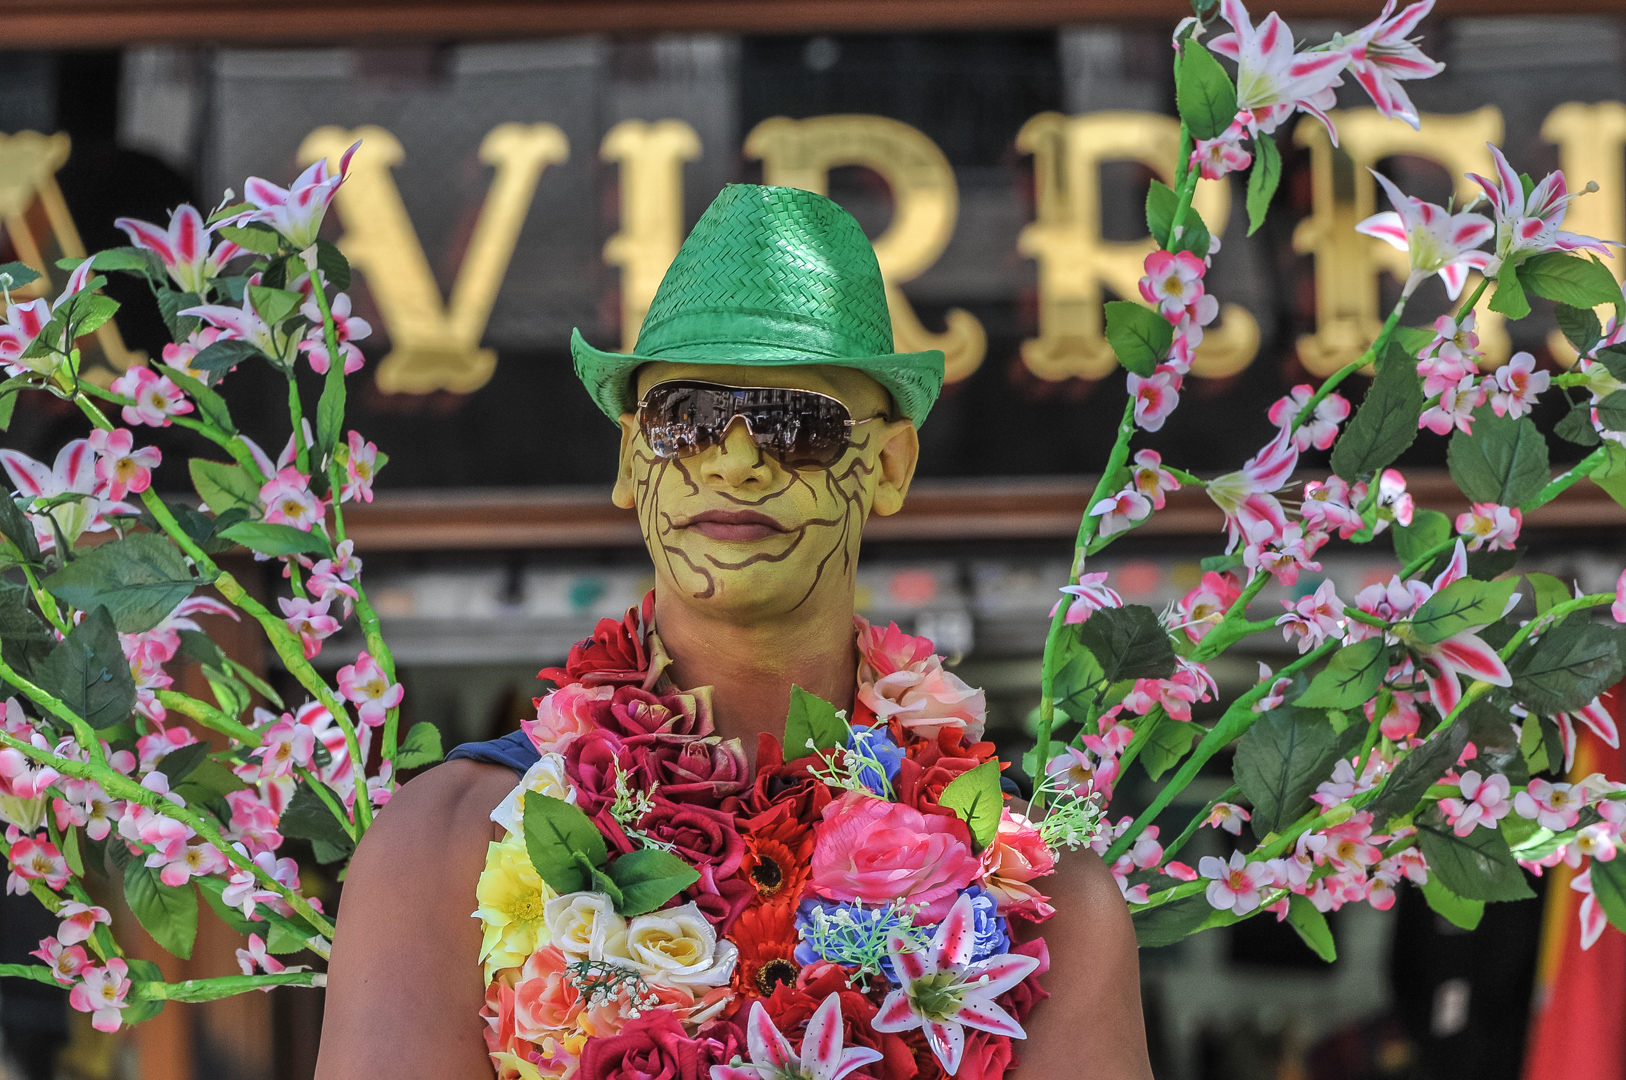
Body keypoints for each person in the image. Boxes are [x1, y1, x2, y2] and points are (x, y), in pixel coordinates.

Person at [315, 185, 1152, 1080]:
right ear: (632, 462)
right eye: (689, 422)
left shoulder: (1040, 895)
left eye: (798, 426)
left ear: (891, 466)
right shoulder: (438, 848)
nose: (739, 460)